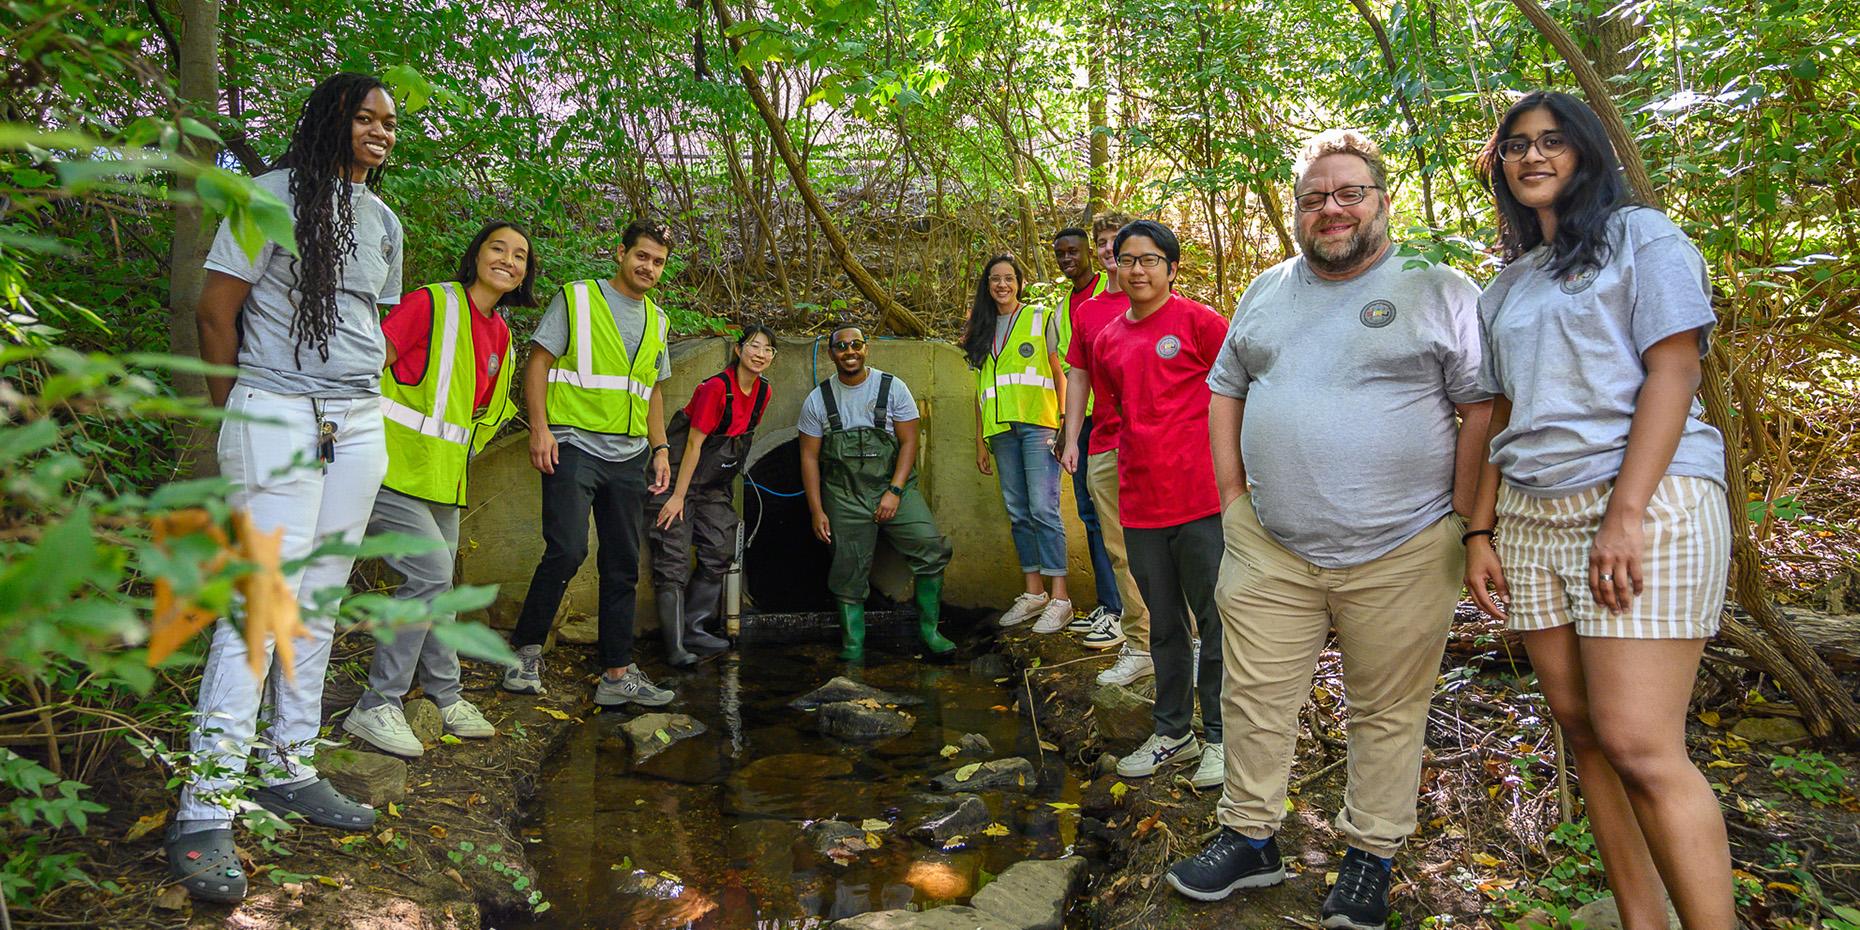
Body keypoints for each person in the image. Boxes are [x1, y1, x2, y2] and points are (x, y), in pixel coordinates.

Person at [1166, 130, 1494, 930]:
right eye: (1315, 197)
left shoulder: (1438, 286)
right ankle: (1250, 837)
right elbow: (1226, 387)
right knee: (1253, 696)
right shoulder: (1266, 289)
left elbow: (1482, 405)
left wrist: (1465, 519)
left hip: (1406, 546)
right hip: (1270, 544)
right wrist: (1233, 497)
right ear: (1298, 212)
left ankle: (1370, 856)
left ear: (1382, 202)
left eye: (1349, 193)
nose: (1331, 209)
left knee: (1387, 709)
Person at [1465, 92, 1734, 930]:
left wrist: (1625, 514)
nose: (1533, 157)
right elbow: (1501, 414)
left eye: (1552, 142)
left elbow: (1675, 370)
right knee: (1583, 732)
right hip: (1531, 514)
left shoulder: (1642, 236)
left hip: (1645, 500)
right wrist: (1479, 529)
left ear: (1586, 152)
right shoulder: (1506, 284)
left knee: (1639, 742)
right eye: (1517, 146)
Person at [170, 72, 403, 903]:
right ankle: (204, 808)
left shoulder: (381, 218)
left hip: (359, 421)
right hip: (275, 411)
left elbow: (364, 321)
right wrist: (246, 417)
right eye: (367, 116)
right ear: (331, 118)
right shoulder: (266, 195)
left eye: (390, 122)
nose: (381, 130)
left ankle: (287, 768)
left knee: (317, 603)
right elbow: (215, 311)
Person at [341, 221, 533, 757]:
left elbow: (474, 419)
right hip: (388, 465)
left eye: (520, 256)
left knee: (441, 588)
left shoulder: (503, 336)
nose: (509, 260)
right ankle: (378, 703)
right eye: (499, 248)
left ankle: (444, 697)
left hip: (442, 480)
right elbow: (365, 364)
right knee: (427, 575)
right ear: (475, 255)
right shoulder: (432, 303)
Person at [501, 219, 676, 708]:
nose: (648, 267)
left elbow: (652, 392)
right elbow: (537, 362)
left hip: (629, 456)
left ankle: (617, 673)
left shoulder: (659, 321)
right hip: (573, 445)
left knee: (622, 562)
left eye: (658, 261)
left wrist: (660, 448)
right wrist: (539, 429)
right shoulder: (578, 299)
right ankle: (525, 653)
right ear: (621, 253)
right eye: (642, 256)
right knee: (567, 549)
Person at [1093, 220, 1228, 792]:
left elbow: (1241, 396)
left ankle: (1223, 737)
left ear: (1172, 268)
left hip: (1203, 500)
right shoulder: (1108, 339)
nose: (1138, 270)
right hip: (1142, 503)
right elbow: (1120, 407)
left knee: (1219, 621)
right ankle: (1174, 730)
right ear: (1116, 267)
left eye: (1150, 260)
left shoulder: (1201, 323)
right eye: (1128, 260)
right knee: (1164, 626)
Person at [798, 324, 957, 662]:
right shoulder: (818, 399)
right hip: (843, 494)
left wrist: (895, 492)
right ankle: (853, 645)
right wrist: (816, 510)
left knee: (930, 546)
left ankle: (929, 630)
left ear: (866, 348)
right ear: (831, 354)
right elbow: (809, 457)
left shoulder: (893, 387)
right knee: (847, 568)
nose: (849, 351)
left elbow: (909, 442)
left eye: (856, 344)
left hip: (893, 487)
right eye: (841, 346)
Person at [646, 324, 777, 668]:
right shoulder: (715, 389)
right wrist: (676, 497)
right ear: (738, 350)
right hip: (676, 476)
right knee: (672, 553)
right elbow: (693, 445)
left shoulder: (764, 393)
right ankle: (674, 647)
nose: (760, 354)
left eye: (767, 350)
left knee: (722, 541)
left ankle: (694, 626)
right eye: (754, 346)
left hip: (711, 486)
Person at [1061, 212, 1154, 673]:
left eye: (1118, 241)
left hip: (1158, 447)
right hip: (1105, 442)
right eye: (1103, 241)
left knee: (1167, 548)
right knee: (1118, 549)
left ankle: (1190, 642)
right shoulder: (1089, 311)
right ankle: (1140, 645)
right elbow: (1078, 375)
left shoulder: (1164, 303)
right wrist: (1072, 436)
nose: (1109, 249)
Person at [963, 254, 1073, 632]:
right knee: (1018, 511)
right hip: (1000, 431)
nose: (1002, 285)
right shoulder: (979, 326)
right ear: (987, 285)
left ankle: (1060, 598)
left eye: (1009, 278)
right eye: (995, 279)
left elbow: (1060, 372)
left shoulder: (1040, 317)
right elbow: (980, 391)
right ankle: (1034, 592)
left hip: (1038, 425)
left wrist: (1062, 423)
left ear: (1020, 282)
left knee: (1044, 509)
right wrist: (980, 441)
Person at [1051, 227, 1124, 643]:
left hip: (1125, 424)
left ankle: (1127, 612)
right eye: (1059, 253)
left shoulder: (1124, 287)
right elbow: (1073, 371)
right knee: (1092, 517)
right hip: (1087, 425)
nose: (1067, 259)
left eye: (1073, 250)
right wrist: (1068, 430)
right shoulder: (1071, 307)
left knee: (1124, 521)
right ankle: (1110, 605)